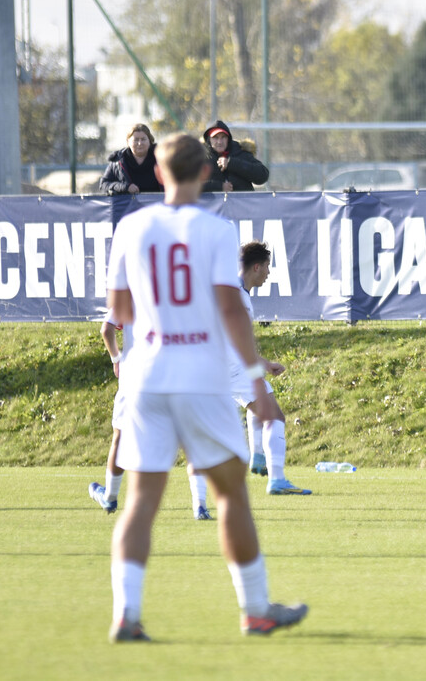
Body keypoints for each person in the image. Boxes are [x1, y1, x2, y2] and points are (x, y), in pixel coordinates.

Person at [105, 132, 306, 642]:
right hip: (199, 376)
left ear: (158, 173)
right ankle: (255, 609)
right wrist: (257, 382)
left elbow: (121, 312)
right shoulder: (217, 231)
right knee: (232, 496)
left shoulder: (131, 227)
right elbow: (232, 310)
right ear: (203, 174)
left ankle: (126, 615)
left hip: (146, 377)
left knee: (140, 502)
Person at [88, 316, 216, 520]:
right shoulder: (178, 293)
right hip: (174, 376)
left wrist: (116, 359)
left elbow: (106, 329)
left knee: (121, 439)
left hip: (135, 381)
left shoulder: (129, 293)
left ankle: (110, 497)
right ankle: (199, 505)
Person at [229, 240, 310, 495]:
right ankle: (276, 479)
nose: (268, 273)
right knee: (275, 416)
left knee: (261, 398)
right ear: (256, 267)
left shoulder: (232, 291)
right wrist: (262, 363)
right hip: (232, 367)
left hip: (226, 366)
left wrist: (263, 364)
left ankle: (258, 457)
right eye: (267, 267)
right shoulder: (236, 296)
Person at [202, 120, 269, 193]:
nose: (219, 142)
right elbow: (189, 185)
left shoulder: (240, 152)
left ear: (229, 139)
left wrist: (232, 163)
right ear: (209, 139)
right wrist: (219, 187)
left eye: (223, 137)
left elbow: (263, 175)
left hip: (243, 203)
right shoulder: (200, 157)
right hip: (211, 204)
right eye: (215, 137)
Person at [99, 123, 162, 195]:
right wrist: (125, 187)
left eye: (143, 139)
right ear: (128, 142)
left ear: (150, 141)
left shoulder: (162, 160)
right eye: (136, 140)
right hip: (127, 205)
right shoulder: (118, 161)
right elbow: (104, 184)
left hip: (158, 204)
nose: (139, 143)